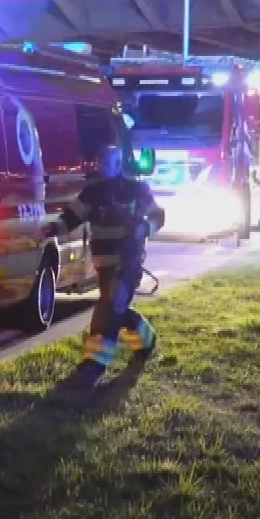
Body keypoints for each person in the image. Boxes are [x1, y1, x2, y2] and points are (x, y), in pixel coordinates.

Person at [49, 143, 165, 371]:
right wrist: (50, 230)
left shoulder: (135, 190)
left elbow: (158, 216)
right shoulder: (91, 193)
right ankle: (146, 341)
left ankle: (95, 364)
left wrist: (144, 229)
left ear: (118, 164)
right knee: (116, 307)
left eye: (106, 162)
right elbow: (70, 218)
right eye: (100, 161)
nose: (101, 167)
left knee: (109, 308)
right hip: (104, 266)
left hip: (128, 262)